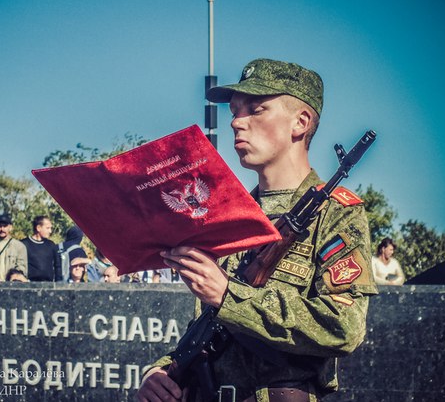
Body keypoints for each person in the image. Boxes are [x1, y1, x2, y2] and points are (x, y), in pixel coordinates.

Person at [137, 59, 378, 402]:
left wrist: (228, 296)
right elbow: (211, 330)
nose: (237, 121)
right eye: (235, 111)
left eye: (256, 109)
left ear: (300, 122)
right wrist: (161, 372)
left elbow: (343, 327)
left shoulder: (336, 213)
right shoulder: (226, 216)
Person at [21, 216, 62, 282]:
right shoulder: (24, 244)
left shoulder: (51, 245)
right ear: (38, 228)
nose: (50, 231)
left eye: (50, 228)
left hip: (48, 285)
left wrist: (58, 283)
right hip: (29, 285)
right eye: (47, 228)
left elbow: (57, 266)